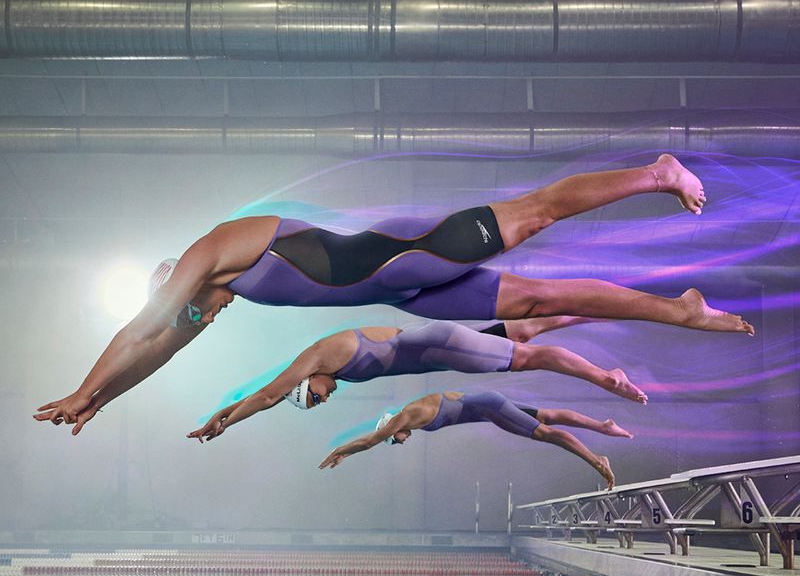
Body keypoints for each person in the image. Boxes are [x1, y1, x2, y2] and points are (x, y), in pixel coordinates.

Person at [35, 154, 752, 434]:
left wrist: (83, 386)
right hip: (408, 294)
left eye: (194, 310)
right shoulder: (217, 290)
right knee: (535, 302)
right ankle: (677, 310)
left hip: (408, 251)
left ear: (176, 281)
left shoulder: (211, 252)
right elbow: (158, 349)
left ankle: (656, 174)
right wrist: (102, 399)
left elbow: (143, 329)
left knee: (535, 213)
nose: (204, 319)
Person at [186, 319, 648, 443]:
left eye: (316, 399)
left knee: (529, 357)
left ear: (305, 383)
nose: (325, 400)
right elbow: (265, 392)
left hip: (438, 345)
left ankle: (606, 377)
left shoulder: (317, 356)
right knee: (524, 331)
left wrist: (224, 423)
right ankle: (599, 305)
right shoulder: (327, 364)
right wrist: (222, 413)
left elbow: (269, 395)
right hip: (437, 345)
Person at [318, 390, 631, 490]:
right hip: (488, 404)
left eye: (395, 440)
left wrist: (341, 450)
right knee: (547, 416)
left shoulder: (405, 416)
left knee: (547, 434)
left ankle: (597, 461)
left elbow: (370, 441)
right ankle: (602, 425)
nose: (400, 442)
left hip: (490, 408)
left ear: (391, 427)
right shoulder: (415, 413)